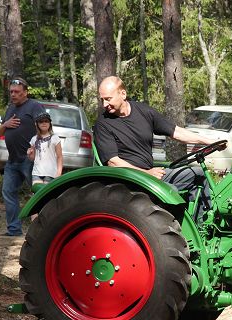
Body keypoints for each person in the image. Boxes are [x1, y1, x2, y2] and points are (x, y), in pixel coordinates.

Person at [93, 76, 220, 220]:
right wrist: (146, 173)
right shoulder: (103, 124)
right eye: (102, 99)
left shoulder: (144, 111)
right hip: (128, 180)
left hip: (151, 175)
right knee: (170, 191)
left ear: (123, 94)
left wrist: (209, 142)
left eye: (108, 99)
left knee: (198, 175)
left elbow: (176, 132)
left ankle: (203, 228)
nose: (104, 104)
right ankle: (177, 235)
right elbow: (113, 162)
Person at [0, 77, 45, 236]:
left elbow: (44, 128)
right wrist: (5, 125)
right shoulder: (10, 108)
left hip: (30, 159)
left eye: (17, 92)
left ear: (25, 92)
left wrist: (36, 149)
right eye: (11, 91)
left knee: (39, 193)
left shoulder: (34, 106)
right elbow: (0, 132)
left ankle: (43, 229)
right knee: (8, 192)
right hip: (13, 160)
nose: (13, 94)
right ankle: (14, 229)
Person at [27, 111, 63, 184]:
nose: (44, 123)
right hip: (36, 173)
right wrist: (29, 154)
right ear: (37, 124)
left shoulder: (55, 138)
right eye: (41, 121)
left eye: (46, 121)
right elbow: (32, 158)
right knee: (38, 192)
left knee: (48, 194)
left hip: (50, 173)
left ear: (50, 123)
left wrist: (59, 172)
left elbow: (59, 156)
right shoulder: (34, 139)